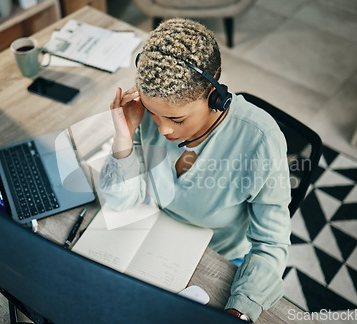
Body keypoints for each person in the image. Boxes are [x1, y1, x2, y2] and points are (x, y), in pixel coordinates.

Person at [99, 18, 291, 322]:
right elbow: (121, 201)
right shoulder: (147, 119)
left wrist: (238, 312)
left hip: (217, 259)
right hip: (156, 237)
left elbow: (271, 245)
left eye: (177, 120)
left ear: (215, 98)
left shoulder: (260, 141)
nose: (162, 130)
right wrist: (124, 136)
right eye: (153, 113)